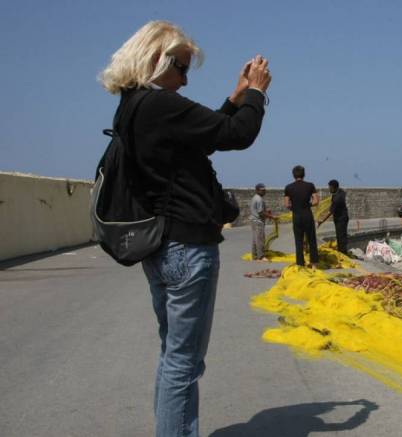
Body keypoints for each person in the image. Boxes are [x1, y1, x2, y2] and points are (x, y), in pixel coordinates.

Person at [99, 20, 271, 437]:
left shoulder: (133, 106)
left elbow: (204, 135)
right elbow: (237, 135)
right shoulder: (160, 105)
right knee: (184, 362)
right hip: (186, 247)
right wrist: (257, 93)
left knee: (173, 354)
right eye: (181, 67)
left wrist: (234, 97)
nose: (184, 79)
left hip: (161, 244)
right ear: (158, 59)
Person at [284, 165, 319, 267]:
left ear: (293, 175)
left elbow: (286, 204)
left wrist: (293, 207)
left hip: (297, 216)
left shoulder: (288, 187)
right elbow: (316, 201)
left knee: (298, 241)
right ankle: (314, 264)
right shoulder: (310, 185)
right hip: (307, 215)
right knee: (311, 240)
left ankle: (300, 264)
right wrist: (309, 204)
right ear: (304, 174)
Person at [317, 179, 349, 254]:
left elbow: (330, 212)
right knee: (341, 235)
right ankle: (342, 250)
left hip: (341, 219)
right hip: (342, 217)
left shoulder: (337, 199)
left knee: (341, 236)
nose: (329, 189)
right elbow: (344, 192)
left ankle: (343, 252)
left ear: (334, 188)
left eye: (330, 188)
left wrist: (322, 221)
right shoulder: (341, 192)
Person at [250, 183, 276, 261]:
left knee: (255, 239)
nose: (264, 192)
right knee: (260, 239)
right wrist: (271, 216)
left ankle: (254, 255)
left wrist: (267, 211)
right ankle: (260, 256)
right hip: (258, 221)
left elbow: (257, 210)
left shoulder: (255, 197)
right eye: (262, 190)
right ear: (257, 190)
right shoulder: (259, 199)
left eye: (264, 190)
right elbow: (261, 213)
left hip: (254, 220)